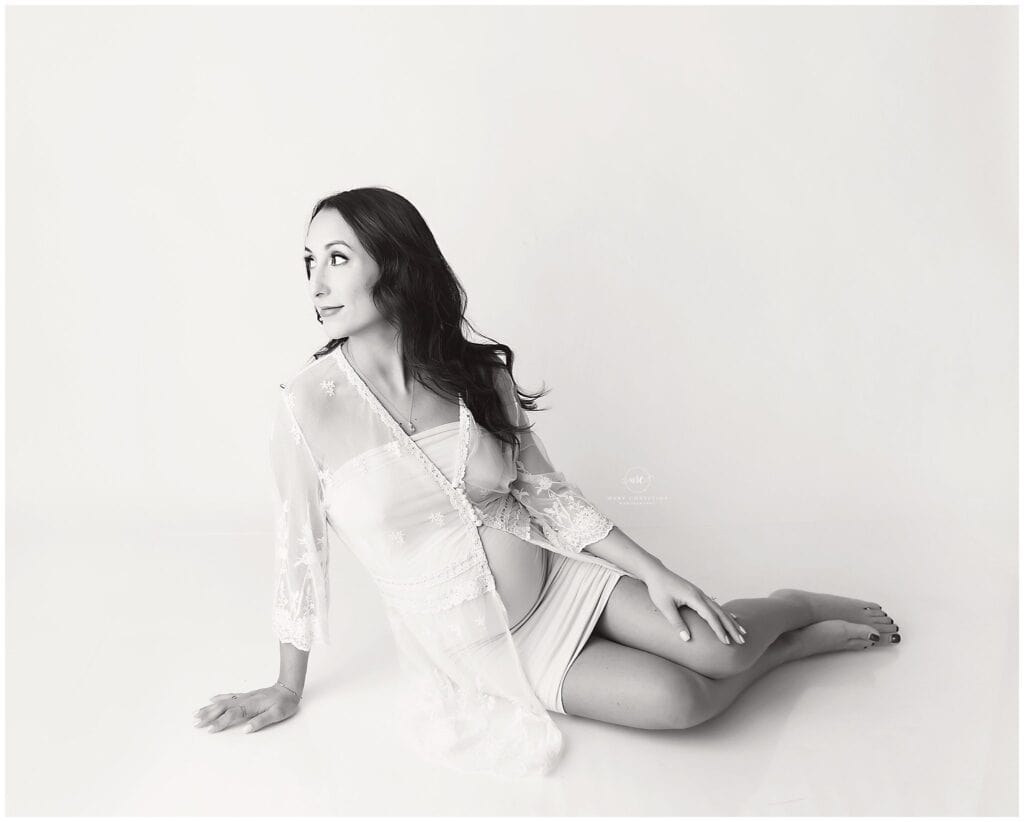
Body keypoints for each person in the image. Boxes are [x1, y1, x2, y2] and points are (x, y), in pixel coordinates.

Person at [192, 187, 900, 777]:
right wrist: (288, 686)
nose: (316, 282)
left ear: (395, 265)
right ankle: (793, 654)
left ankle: (789, 606)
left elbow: (546, 496)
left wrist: (655, 572)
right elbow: (298, 556)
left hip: (562, 580)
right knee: (683, 702)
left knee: (725, 647)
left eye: (337, 258)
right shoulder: (307, 407)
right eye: (309, 261)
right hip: (486, 646)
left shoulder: (476, 374)